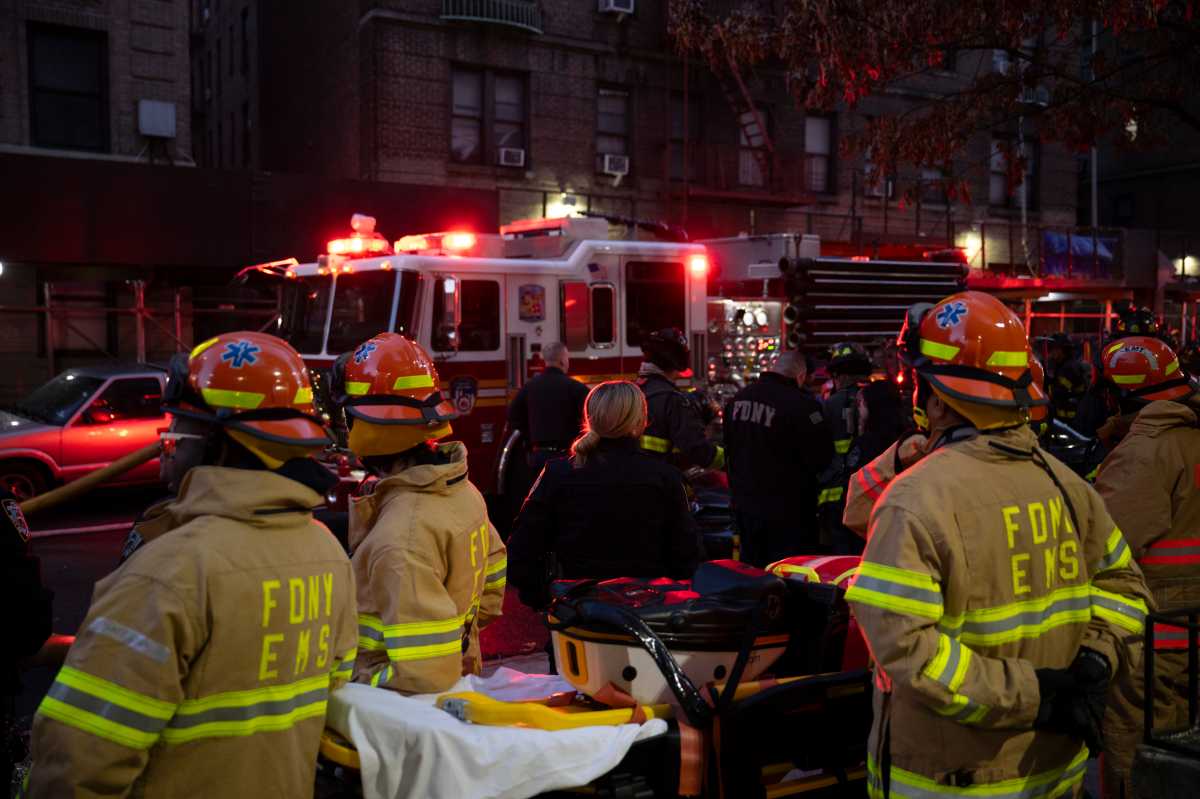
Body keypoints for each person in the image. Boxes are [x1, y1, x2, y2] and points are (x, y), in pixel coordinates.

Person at [843, 292, 1152, 798]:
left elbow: (909, 655)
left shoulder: (916, 499)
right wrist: (1094, 663)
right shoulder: (1068, 485)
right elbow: (1127, 588)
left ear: (936, 396)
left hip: (951, 779)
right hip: (1056, 770)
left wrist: (1034, 695)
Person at [25, 332, 358, 798]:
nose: (168, 442)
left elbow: (77, 765)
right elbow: (334, 685)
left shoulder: (166, 573)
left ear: (217, 442)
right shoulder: (326, 552)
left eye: (179, 426)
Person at [331, 332, 506, 693]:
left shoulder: (400, 538)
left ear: (367, 426)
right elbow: (490, 597)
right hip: (461, 683)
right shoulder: (462, 491)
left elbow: (422, 676)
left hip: (398, 719)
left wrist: (360, 681)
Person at [1091, 337, 1200, 799]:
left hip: (1154, 634)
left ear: (1119, 394)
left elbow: (1104, 544)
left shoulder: (1145, 452)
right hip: (1189, 629)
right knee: (1182, 753)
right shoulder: (1189, 434)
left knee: (1135, 751)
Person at [508, 380, 703, 609]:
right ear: (640, 421)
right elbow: (688, 558)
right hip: (648, 615)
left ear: (590, 418)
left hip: (578, 614)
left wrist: (545, 599)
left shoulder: (557, 474)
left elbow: (520, 554)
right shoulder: (665, 477)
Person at [722, 351, 833, 566]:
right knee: (791, 574)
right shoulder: (803, 406)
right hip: (790, 515)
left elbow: (728, 449)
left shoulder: (737, 401)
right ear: (800, 376)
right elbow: (822, 457)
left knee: (752, 573)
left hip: (745, 508)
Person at [505, 341, 589, 525]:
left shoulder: (530, 387)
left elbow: (513, 415)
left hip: (539, 457)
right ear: (562, 360)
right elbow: (591, 416)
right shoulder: (575, 388)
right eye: (567, 358)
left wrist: (529, 437)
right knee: (566, 509)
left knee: (540, 507)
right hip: (567, 457)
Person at [636, 328, 724, 472]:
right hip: (663, 481)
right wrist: (729, 459)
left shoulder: (634, 390)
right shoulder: (673, 400)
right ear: (677, 360)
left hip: (637, 478)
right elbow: (698, 451)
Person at [816, 342, 873, 550]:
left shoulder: (829, 405)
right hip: (872, 489)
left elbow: (818, 448)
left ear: (838, 375)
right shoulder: (879, 400)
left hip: (835, 494)